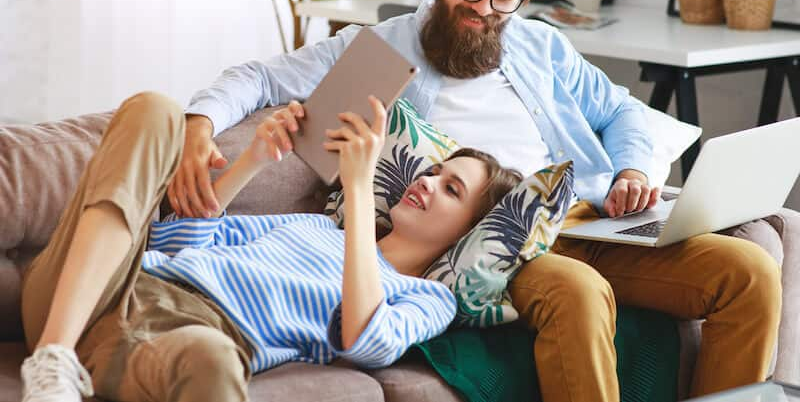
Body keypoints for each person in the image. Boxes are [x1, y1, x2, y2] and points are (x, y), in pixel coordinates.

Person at [164, 0, 782, 401]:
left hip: (583, 220)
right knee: (574, 290)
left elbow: (621, 111)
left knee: (750, 271)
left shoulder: (541, 47)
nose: (485, 11)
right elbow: (260, 78)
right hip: (494, 241)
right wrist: (198, 125)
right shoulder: (381, 48)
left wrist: (630, 168)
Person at [19, 91, 524, 402]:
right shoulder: (316, 228)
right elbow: (174, 243)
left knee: (216, 365)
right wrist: (254, 160)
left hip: (182, 341)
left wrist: (360, 186)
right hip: (97, 289)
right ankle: (53, 358)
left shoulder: (428, 298)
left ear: (467, 233)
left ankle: (65, 361)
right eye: (436, 171)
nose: (429, 183)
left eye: (451, 190)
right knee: (157, 110)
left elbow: (369, 341)